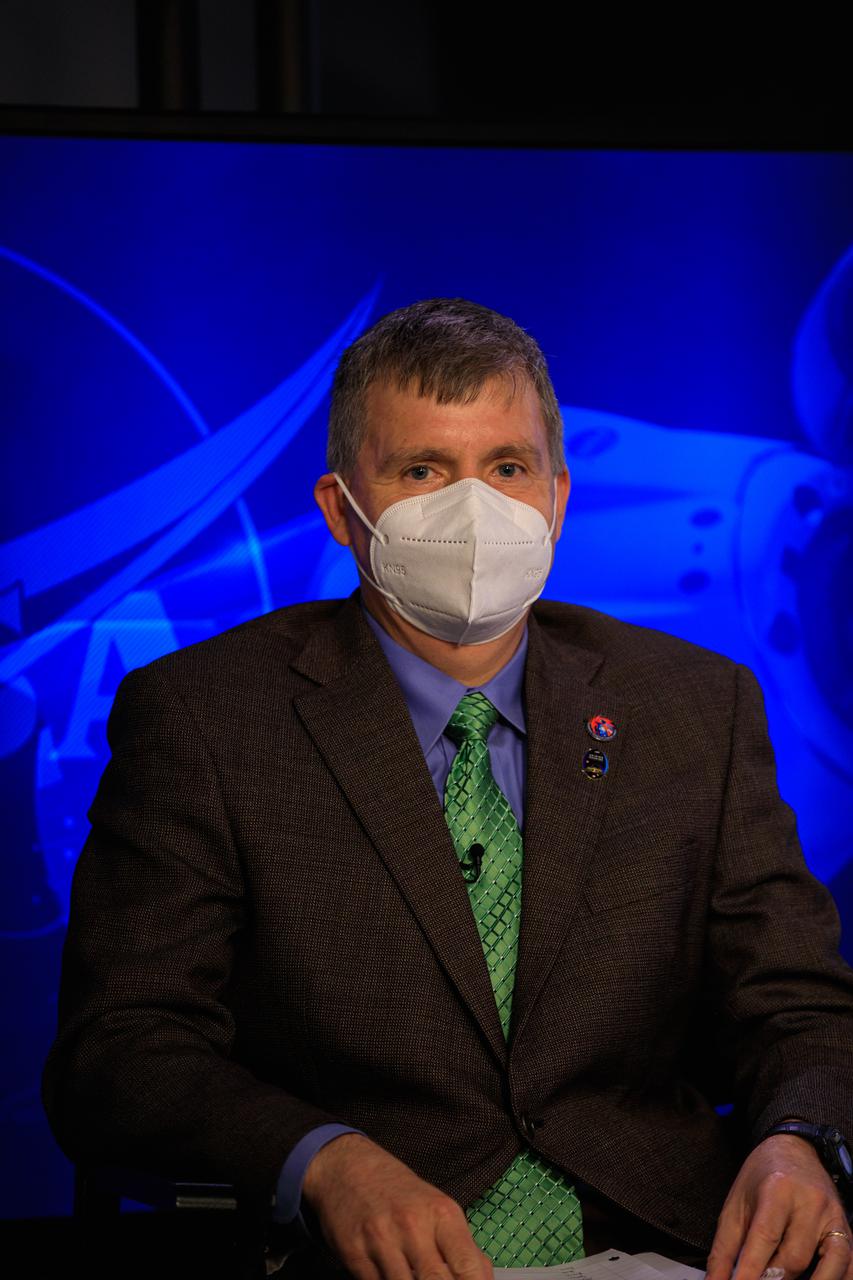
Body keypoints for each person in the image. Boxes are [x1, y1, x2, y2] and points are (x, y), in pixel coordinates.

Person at [44, 299, 853, 1280]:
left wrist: (800, 1140)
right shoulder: (207, 718)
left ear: (556, 499)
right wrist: (321, 1162)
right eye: (422, 470)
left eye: (506, 468)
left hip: (664, 1246)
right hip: (361, 1259)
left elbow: (794, 1003)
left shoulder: (692, 706)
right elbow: (121, 1047)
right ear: (340, 509)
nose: (475, 509)